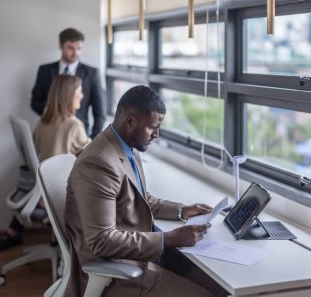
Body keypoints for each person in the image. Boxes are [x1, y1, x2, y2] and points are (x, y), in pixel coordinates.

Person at [64, 85, 215, 297]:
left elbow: (140, 200)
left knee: (216, 284)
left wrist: (182, 210)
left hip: (139, 255)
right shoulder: (98, 163)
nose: (157, 134)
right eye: (152, 127)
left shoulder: (127, 147)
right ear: (130, 122)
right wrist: (168, 239)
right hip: (117, 271)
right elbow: (102, 240)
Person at [0, 75, 91, 252]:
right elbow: (92, 156)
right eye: (79, 91)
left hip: (38, 192)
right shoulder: (74, 126)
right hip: (58, 197)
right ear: (69, 95)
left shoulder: (44, 121)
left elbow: (35, 149)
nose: (82, 95)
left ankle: (13, 232)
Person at [31, 27, 105, 139]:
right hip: (50, 134)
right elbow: (35, 102)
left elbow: (100, 113)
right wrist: (52, 113)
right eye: (70, 48)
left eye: (79, 48)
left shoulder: (92, 74)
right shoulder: (44, 70)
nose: (76, 53)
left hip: (80, 136)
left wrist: (93, 141)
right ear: (60, 46)